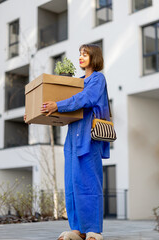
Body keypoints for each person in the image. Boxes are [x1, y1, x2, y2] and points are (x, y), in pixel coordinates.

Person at [40, 44, 110, 240]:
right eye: (79, 54)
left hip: (89, 138)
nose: (80, 57)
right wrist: (37, 112)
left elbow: (85, 99)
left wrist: (58, 105)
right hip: (72, 140)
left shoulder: (98, 79)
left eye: (85, 54)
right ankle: (77, 229)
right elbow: (63, 110)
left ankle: (94, 230)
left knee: (89, 184)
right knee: (72, 184)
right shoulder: (76, 82)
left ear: (93, 57)